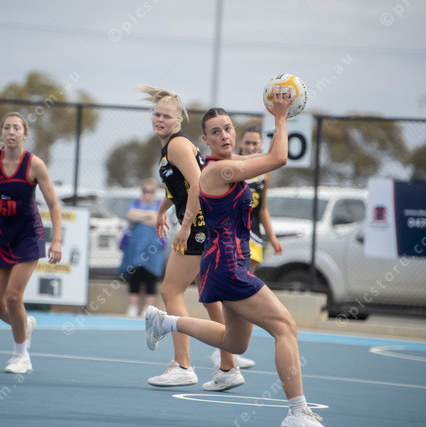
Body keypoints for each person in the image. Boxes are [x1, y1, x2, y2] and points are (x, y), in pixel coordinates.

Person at [145, 92, 324, 426]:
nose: (224, 135)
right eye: (216, 132)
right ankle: (297, 413)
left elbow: (267, 158)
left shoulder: (231, 163)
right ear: (205, 141)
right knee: (285, 327)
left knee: (234, 344)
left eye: (228, 128)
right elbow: (279, 158)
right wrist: (280, 117)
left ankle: (165, 323)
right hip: (228, 266)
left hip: (227, 264)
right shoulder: (219, 170)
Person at [140, 85, 251, 391]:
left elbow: (197, 183)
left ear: (178, 121)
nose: (160, 119)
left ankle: (183, 366)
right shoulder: (172, 147)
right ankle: (228, 368)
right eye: (157, 114)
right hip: (206, 224)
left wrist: (186, 225)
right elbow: (178, 188)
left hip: (199, 225)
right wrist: (162, 210)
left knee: (170, 291)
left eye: (167, 116)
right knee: (209, 296)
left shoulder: (177, 145)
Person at [0, 112, 62, 374]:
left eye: (16, 128)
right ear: (2, 132)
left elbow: (54, 204)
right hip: (0, 236)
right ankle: (25, 324)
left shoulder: (35, 165)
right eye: (7, 128)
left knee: (13, 296)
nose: (11, 132)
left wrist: (56, 240)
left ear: (25, 134)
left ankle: (21, 356)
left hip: (27, 236)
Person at [208, 125, 284, 368]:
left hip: (253, 234)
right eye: (248, 143)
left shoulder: (264, 173)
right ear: (241, 143)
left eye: (255, 143)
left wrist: (272, 237)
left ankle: (231, 346)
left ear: (261, 145)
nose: (251, 147)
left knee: (243, 291)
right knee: (235, 291)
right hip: (233, 234)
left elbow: (263, 208)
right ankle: (224, 347)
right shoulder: (232, 166)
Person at [118, 179, 165, 318]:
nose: (147, 194)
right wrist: (150, 215)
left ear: (154, 192)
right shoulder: (134, 203)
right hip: (135, 248)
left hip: (153, 250)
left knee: (151, 279)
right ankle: (132, 308)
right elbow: (129, 215)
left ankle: (148, 310)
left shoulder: (160, 205)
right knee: (135, 278)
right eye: (145, 191)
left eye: (150, 191)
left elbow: (161, 221)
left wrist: (140, 217)